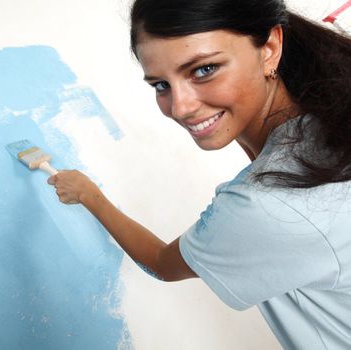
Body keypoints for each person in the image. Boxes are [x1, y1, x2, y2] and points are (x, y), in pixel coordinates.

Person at [47, 0, 351, 348]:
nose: (180, 107)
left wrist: (89, 194)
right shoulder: (330, 119)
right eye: (160, 84)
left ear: (269, 48)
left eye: (204, 70)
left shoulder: (269, 204)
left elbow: (163, 264)